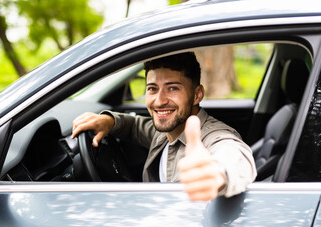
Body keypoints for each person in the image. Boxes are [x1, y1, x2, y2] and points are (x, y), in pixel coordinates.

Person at [72, 52, 257, 201]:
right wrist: (109, 121)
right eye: (152, 88)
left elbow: (235, 156)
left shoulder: (213, 136)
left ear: (197, 95)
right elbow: (135, 125)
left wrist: (217, 173)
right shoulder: (166, 131)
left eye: (173, 88)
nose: (159, 101)